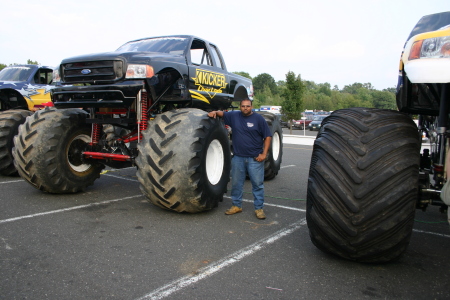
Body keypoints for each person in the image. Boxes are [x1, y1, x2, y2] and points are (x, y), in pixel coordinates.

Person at [208, 99, 272, 219]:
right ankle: (236, 206)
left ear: (252, 107)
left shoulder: (258, 119)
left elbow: (267, 136)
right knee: (237, 184)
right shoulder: (234, 115)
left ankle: (259, 209)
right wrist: (214, 112)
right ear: (240, 107)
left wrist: (264, 154)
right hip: (238, 158)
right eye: (243, 106)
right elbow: (221, 113)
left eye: (248, 106)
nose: (245, 108)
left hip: (255, 158)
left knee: (257, 185)